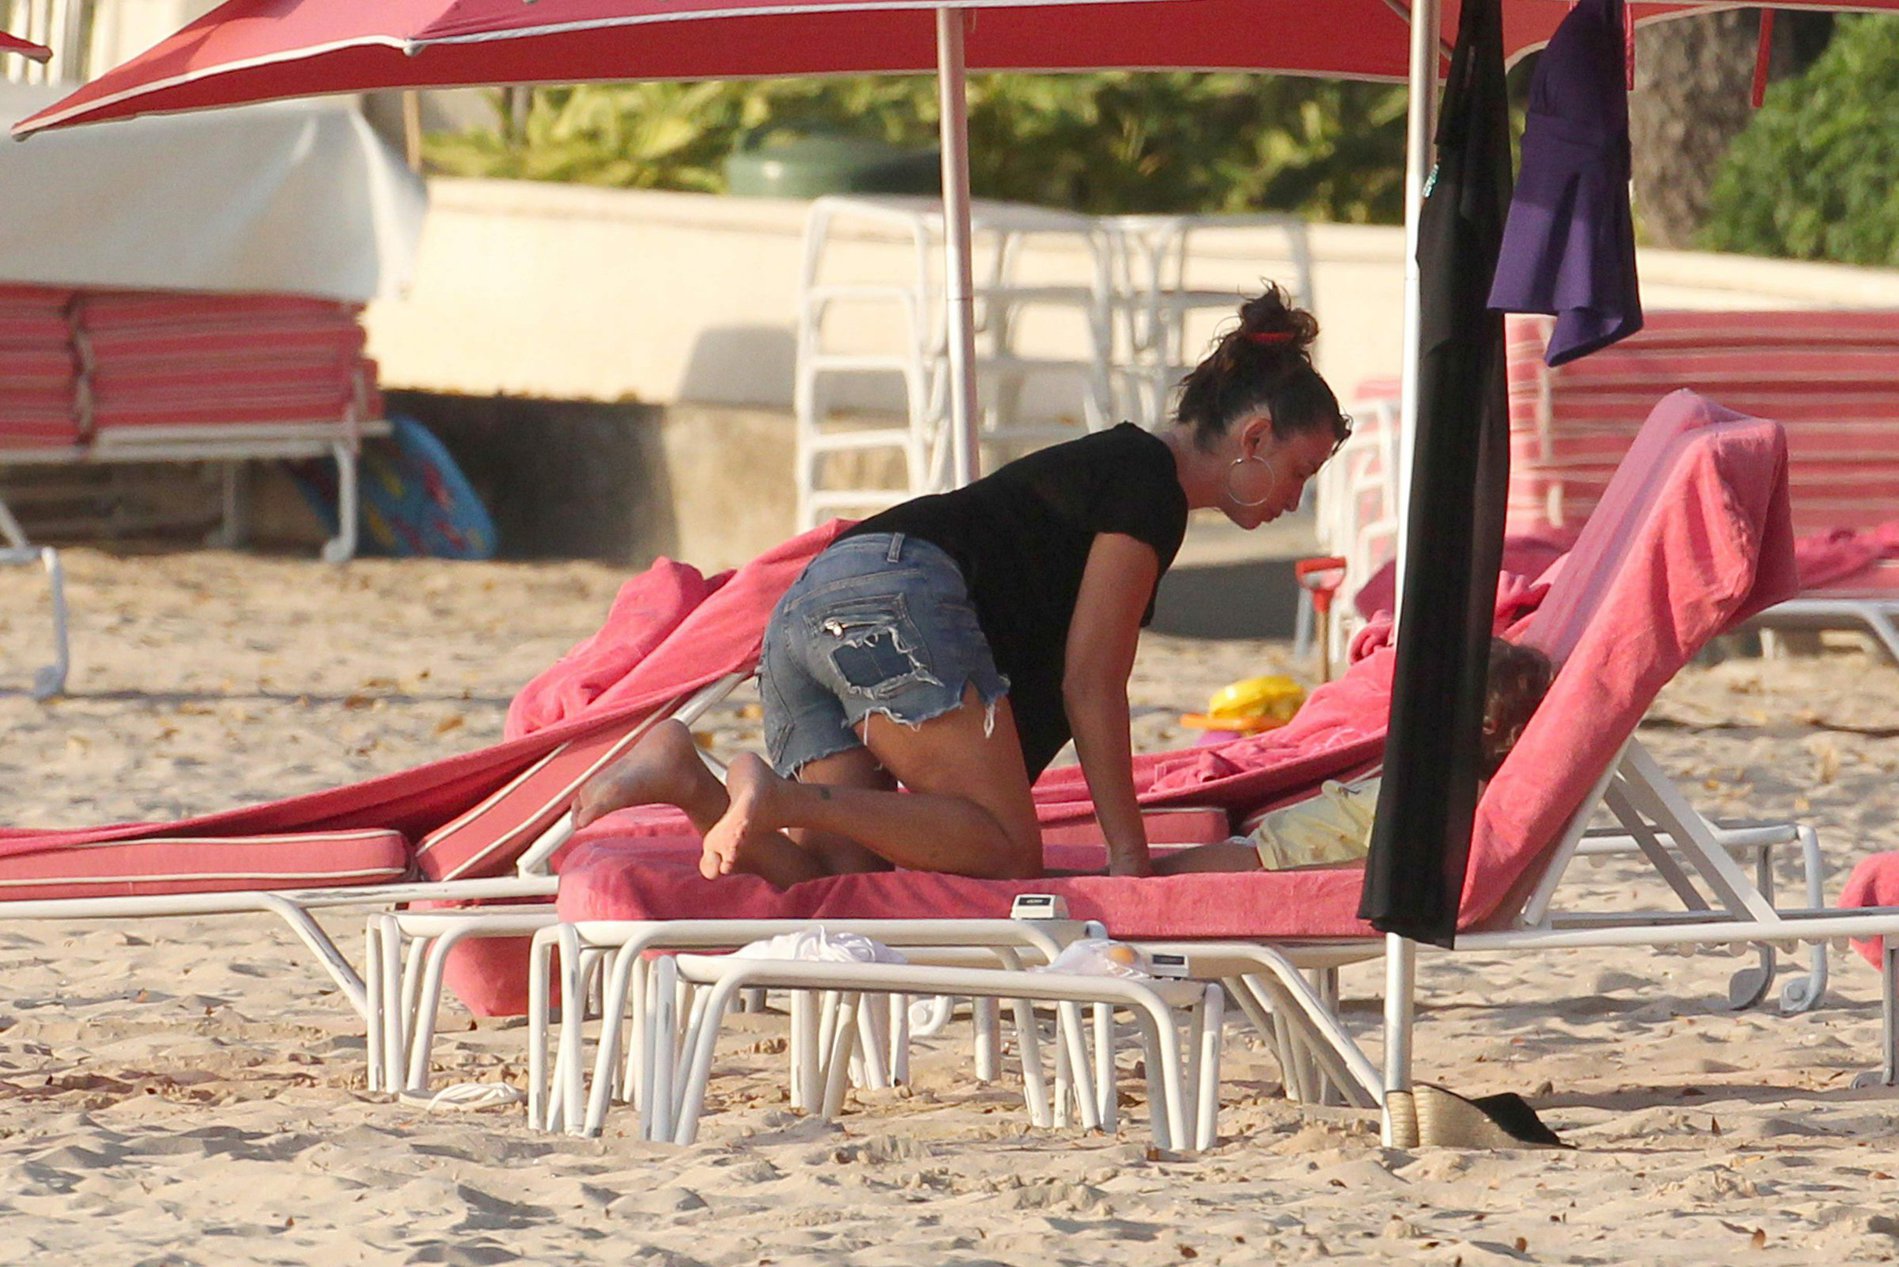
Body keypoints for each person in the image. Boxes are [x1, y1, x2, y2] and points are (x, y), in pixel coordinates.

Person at [572, 284, 1350, 885]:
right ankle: (779, 798)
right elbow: (1092, 680)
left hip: (813, 606)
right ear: (1253, 437)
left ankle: (688, 777)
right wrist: (1128, 856)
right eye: (1298, 471)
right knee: (1008, 850)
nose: (1295, 497)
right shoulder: (1146, 485)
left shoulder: (1115, 466)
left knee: (845, 882)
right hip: (890, 599)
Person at [1147, 638, 1555, 875]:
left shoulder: (1451, 798)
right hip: (1278, 849)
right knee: (1175, 862)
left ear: (1485, 724)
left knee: (1161, 876)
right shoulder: (1452, 786)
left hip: (1275, 864)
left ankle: (1128, 883)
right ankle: (1128, 879)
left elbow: (1388, 867)